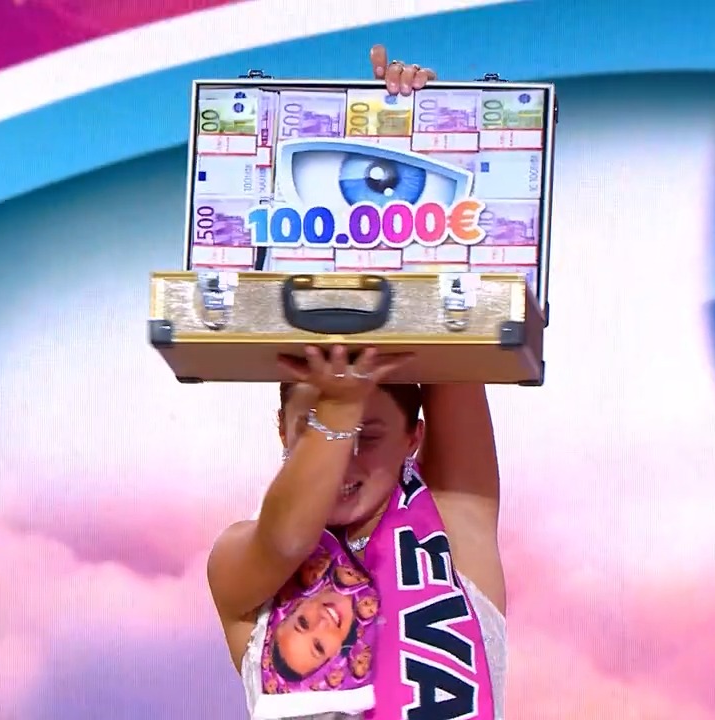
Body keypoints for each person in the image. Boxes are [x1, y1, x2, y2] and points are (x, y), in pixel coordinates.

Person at [209, 45, 507, 714]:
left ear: (414, 438)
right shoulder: (239, 564)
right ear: (282, 428)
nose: (343, 458)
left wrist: (404, 133)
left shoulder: (457, 522)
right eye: (315, 427)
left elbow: (450, 312)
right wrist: (340, 412)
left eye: (367, 436)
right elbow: (287, 540)